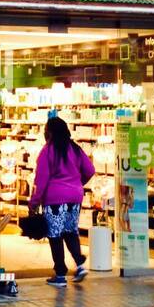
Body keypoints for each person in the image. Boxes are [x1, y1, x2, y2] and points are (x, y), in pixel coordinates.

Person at [29, 116, 96, 287]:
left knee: (54, 234)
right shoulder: (75, 148)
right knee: (70, 230)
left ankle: (60, 275)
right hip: (75, 197)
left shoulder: (48, 151)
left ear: (49, 132)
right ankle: (80, 265)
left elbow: (41, 180)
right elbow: (90, 170)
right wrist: (76, 184)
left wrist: (34, 203)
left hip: (55, 200)